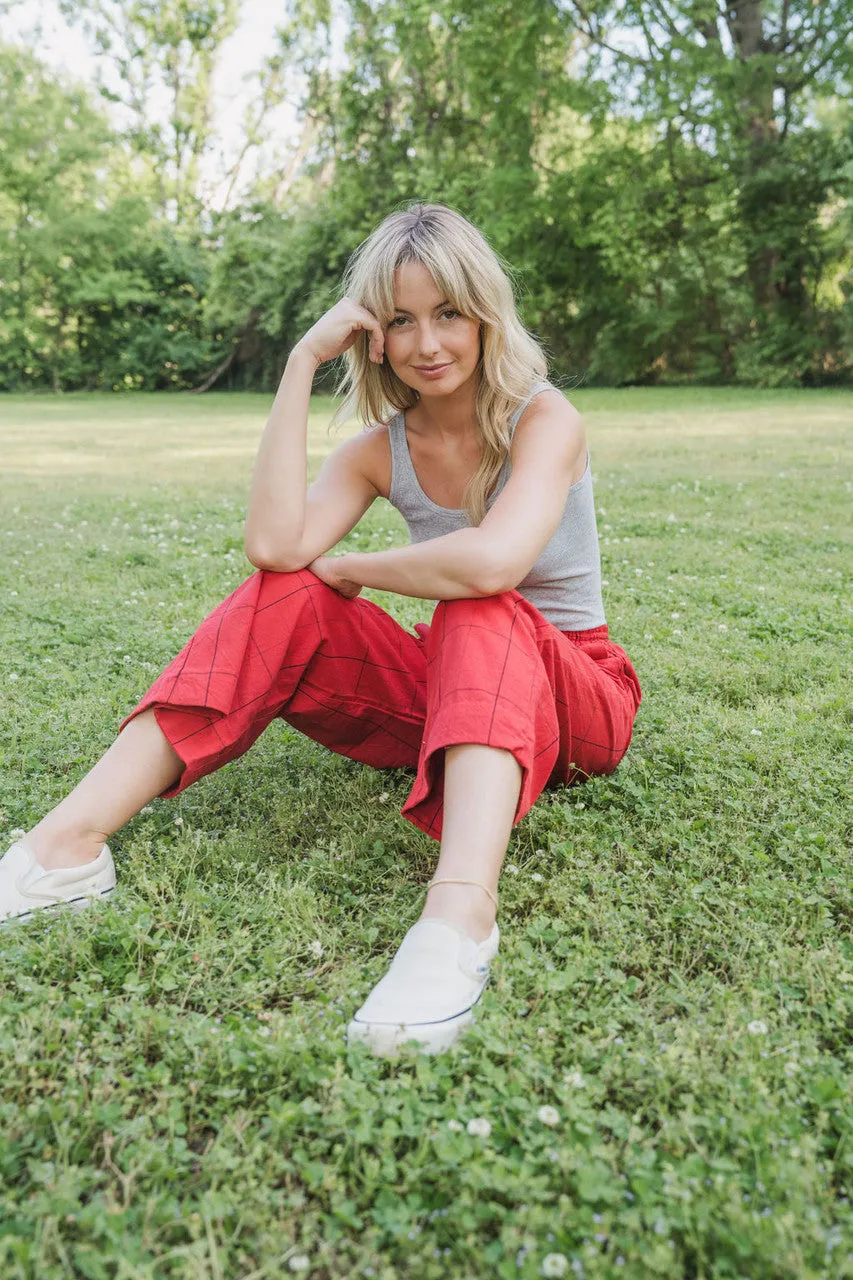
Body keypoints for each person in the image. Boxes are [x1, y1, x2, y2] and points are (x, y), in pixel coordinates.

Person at [0, 202, 641, 1058]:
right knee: (284, 593)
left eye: (449, 313)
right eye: (402, 321)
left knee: (471, 600)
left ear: (486, 312)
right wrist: (301, 361)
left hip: (579, 699)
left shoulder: (543, 418)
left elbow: (489, 565)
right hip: (465, 703)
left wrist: (353, 568)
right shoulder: (380, 448)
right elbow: (274, 547)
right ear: (372, 337)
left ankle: (458, 919)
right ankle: (65, 848)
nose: (428, 343)